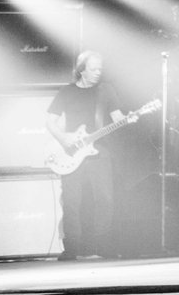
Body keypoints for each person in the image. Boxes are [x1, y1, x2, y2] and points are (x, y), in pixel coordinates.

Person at [45, 50, 128, 260]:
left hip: (99, 151)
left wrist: (129, 119)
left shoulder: (106, 90)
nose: (98, 72)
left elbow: (117, 117)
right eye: (93, 69)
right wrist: (64, 139)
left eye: (100, 68)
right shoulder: (67, 92)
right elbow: (50, 121)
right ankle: (72, 247)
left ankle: (103, 245)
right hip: (71, 152)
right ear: (81, 70)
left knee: (105, 199)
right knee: (71, 201)